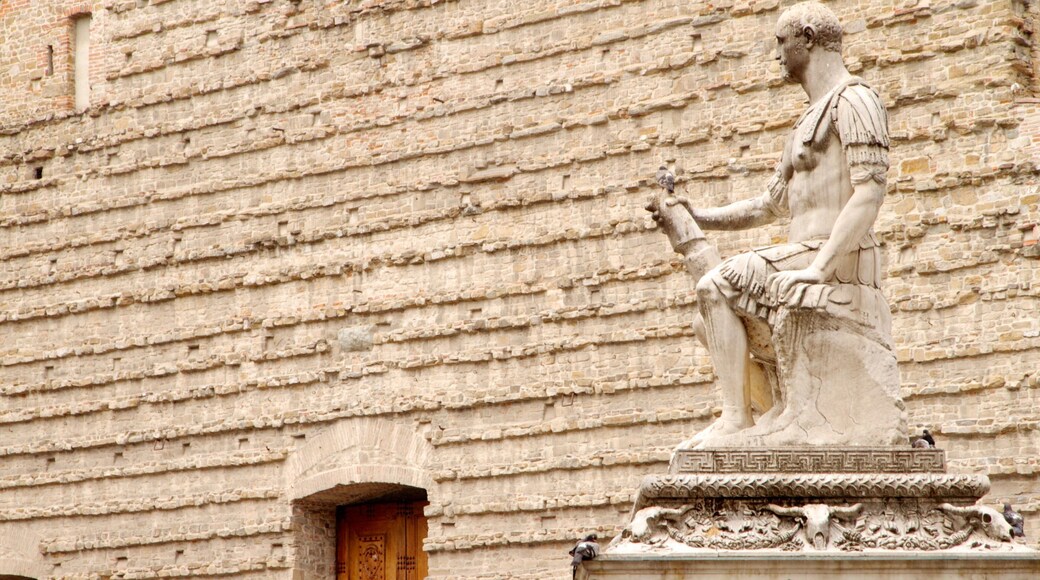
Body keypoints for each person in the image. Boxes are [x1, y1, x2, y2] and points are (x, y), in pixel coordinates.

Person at [665, 1, 890, 448]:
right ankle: (771, 412)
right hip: (806, 254)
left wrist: (820, 268)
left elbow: (869, 192)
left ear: (807, 38)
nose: (776, 55)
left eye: (780, 43)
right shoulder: (806, 120)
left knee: (715, 287)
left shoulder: (856, 100)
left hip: (840, 258)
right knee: (704, 323)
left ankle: (735, 420)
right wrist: (699, 216)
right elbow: (768, 205)